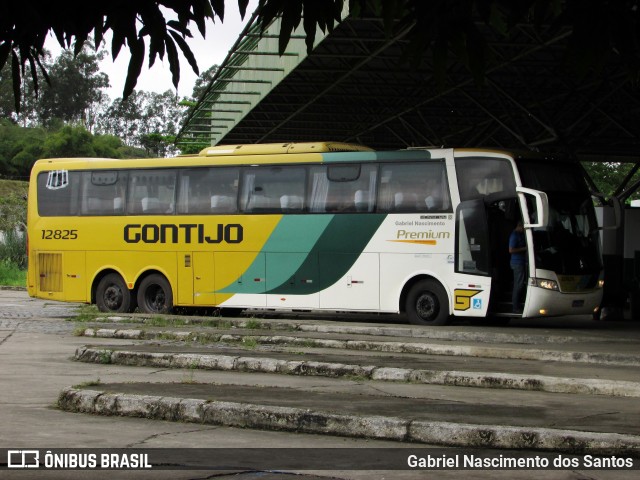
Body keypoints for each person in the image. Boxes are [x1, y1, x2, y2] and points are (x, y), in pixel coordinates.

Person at [509, 221, 527, 313]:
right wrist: (524, 248)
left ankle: (518, 305)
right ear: (520, 226)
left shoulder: (520, 235)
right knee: (518, 285)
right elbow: (511, 250)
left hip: (521, 262)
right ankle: (515, 307)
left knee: (520, 284)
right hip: (517, 263)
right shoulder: (514, 235)